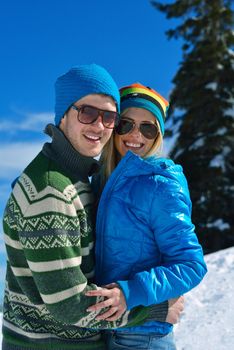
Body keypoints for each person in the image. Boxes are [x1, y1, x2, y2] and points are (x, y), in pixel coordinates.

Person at [2, 66, 183, 350]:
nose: (99, 126)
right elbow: (70, 304)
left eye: (110, 117)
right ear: (63, 113)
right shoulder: (52, 191)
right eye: (87, 112)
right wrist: (156, 310)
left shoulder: (79, 180)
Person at [86, 83, 207, 349]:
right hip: (108, 332)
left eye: (148, 128)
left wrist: (130, 292)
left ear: (158, 136)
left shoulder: (161, 184)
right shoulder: (102, 182)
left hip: (142, 337)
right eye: (126, 124)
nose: (135, 135)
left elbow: (191, 264)